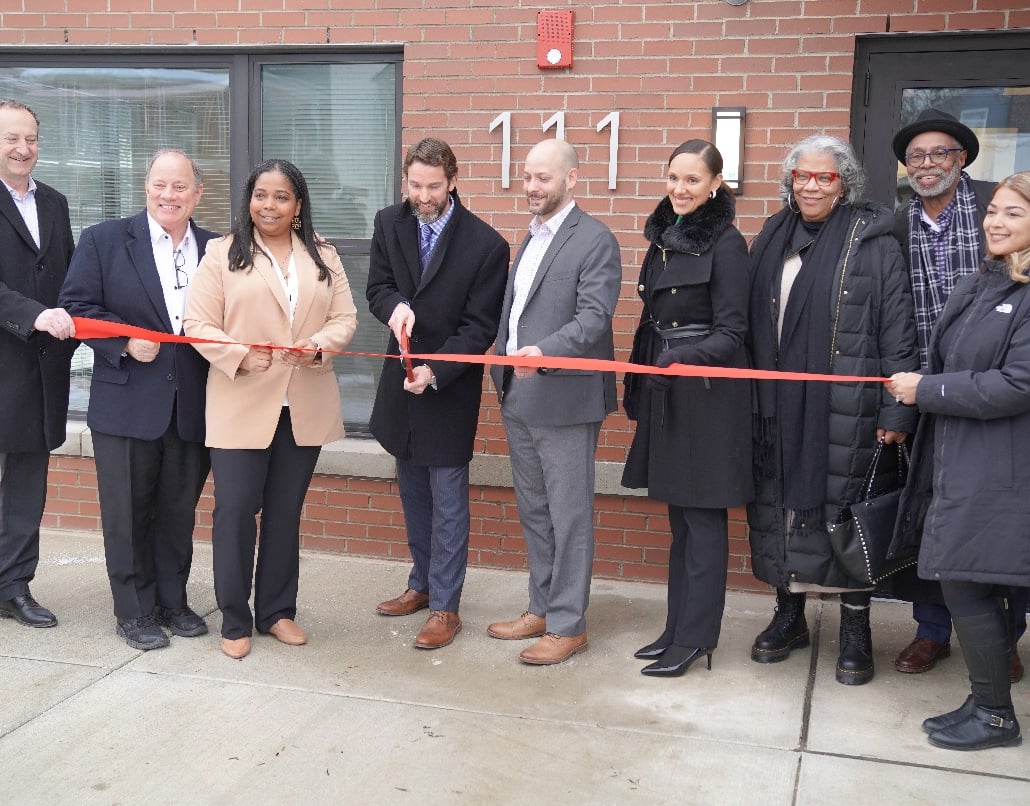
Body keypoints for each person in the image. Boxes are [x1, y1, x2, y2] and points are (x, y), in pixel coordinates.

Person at [746, 134, 918, 685]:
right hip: (777, 405)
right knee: (780, 505)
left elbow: (897, 329)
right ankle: (790, 614)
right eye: (803, 176)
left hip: (849, 406)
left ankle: (854, 628)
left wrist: (897, 413)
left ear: (845, 185)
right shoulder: (772, 236)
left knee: (844, 510)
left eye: (825, 177)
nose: (812, 186)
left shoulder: (874, 240)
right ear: (790, 182)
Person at [183, 159, 358, 660]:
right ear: (249, 201)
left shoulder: (323, 254)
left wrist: (319, 345)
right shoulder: (223, 253)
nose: (270, 205)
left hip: (303, 401)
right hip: (241, 399)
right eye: (261, 195)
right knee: (236, 511)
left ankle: (277, 611)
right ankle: (235, 618)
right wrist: (240, 354)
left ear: (298, 205)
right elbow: (197, 323)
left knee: (284, 514)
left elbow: (345, 318)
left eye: (282, 196)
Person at [887, 172, 1030, 751]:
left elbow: (1017, 384)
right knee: (963, 583)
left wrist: (927, 391)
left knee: (968, 586)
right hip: (960, 457)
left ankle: (995, 714)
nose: (994, 222)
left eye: (1013, 214)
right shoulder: (988, 282)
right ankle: (986, 698)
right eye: (993, 210)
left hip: (1000, 466)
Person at [59, 149, 217, 651]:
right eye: (160, 185)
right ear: (146, 187)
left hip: (193, 403)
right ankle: (133, 609)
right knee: (127, 514)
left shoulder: (217, 248)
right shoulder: (104, 240)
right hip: (126, 402)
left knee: (177, 511)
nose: (168, 195)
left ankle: (172, 600)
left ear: (197, 194)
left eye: (179, 187)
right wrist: (123, 342)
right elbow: (76, 306)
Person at [366, 138, 508, 650]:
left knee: (449, 502)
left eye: (433, 187)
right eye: (415, 186)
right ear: (405, 181)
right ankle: (422, 584)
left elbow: (479, 328)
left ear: (452, 181)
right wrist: (394, 307)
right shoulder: (389, 222)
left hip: (446, 388)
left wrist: (435, 368)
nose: (422, 197)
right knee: (413, 493)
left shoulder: (486, 245)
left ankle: (446, 607)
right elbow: (377, 287)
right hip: (400, 388)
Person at [621, 139, 753, 677]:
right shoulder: (664, 240)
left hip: (707, 397)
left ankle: (698, 637)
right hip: (667, 390)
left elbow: (733, 333)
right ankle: (677, 628)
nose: (680, 188)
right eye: (674, 177)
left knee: (702, 521)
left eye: (693, 179)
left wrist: (682, 357)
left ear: (716, 184)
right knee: (680, 519)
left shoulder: (727, 243)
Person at [487, 139, 621, 666]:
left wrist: (544, 352)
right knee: (535, 512)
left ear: (572, 179)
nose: (532, 187)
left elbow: (593, 319)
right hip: (518, 394)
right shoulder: (531, 237)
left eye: (543, 177)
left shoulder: (595, 240)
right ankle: (541, 608)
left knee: (569, 517)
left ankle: (568, 624)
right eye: (527, 176)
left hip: (564, 398)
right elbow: (518, 309)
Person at [0, 99, 76, 629]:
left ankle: (14, 585)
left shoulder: (54, 202)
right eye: (10, 138)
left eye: (30, 138)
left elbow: (69, 277)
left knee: (28, 484)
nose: (22, 148)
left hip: (41, 371)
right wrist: (35, 315)